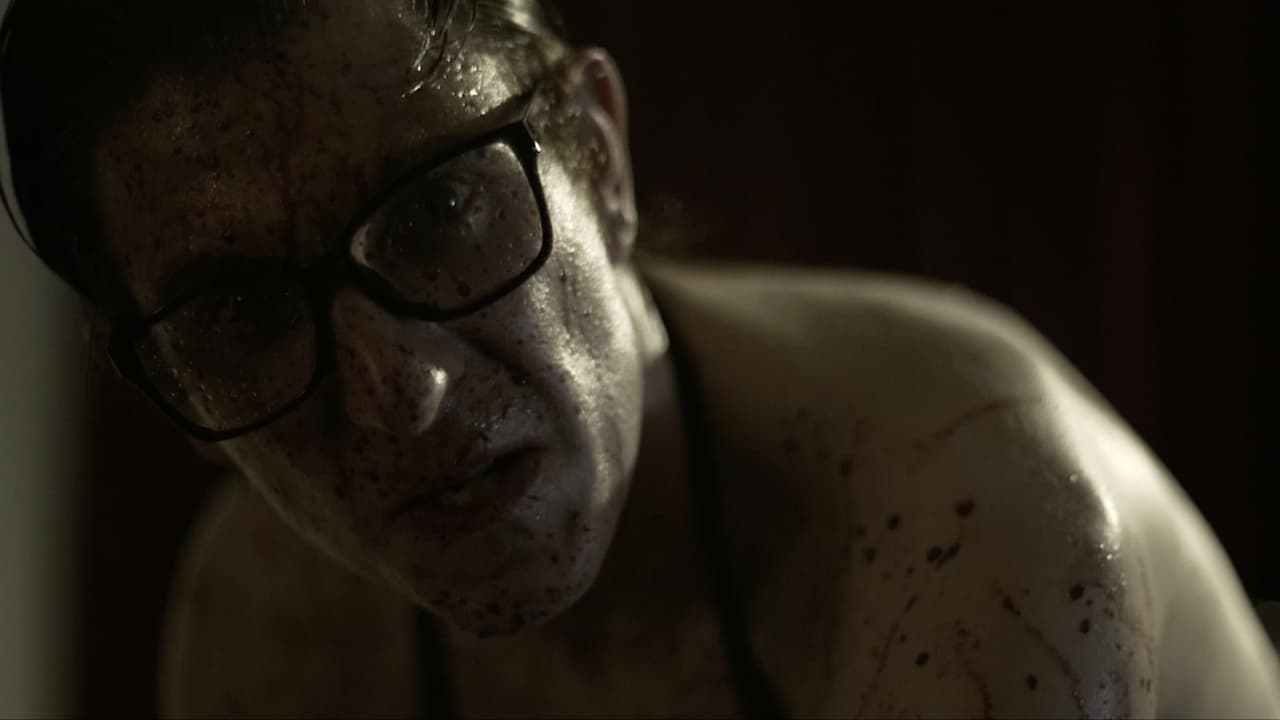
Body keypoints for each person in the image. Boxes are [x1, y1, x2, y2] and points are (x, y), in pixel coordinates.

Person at [2, 0, 1277, 716]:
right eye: (242, 316)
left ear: (598, 159)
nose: (403, 396)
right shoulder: (269, 613)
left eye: (441, 211)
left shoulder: (965, 503)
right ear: (171, 389)